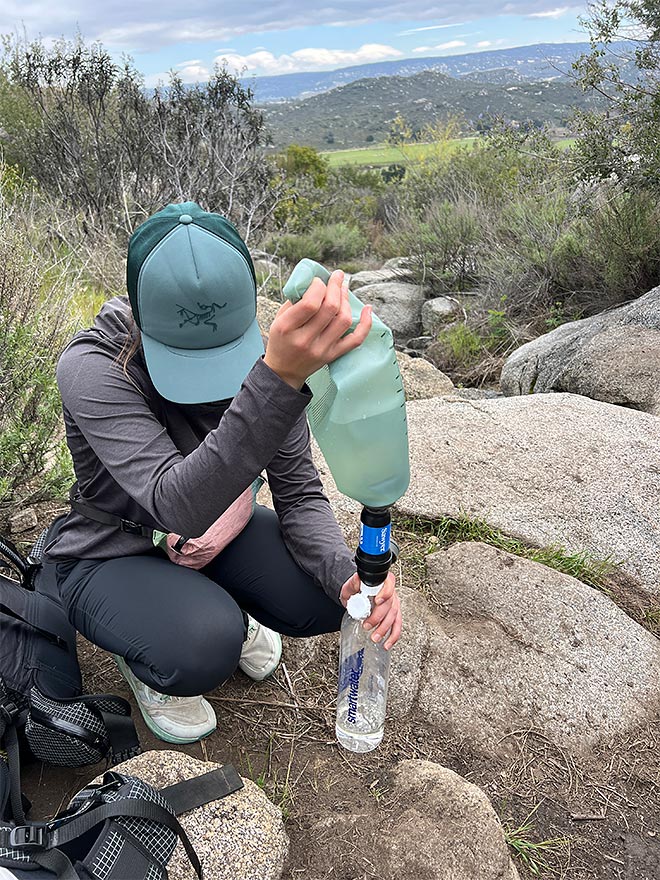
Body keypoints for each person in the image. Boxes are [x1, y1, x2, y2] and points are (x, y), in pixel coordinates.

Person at [45, 202, 402, 745]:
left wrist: (345, 575)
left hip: (211, 538)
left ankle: (200, 601)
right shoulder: (93, 367)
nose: (210, 381)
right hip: (110, 550)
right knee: (205, 645)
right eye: (185, 357)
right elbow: (175, 502)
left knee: (326, 598)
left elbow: (300, 493)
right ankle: (151, 652)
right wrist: (277, 382)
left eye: (221, 354)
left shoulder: (262, 354)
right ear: (140, 322)